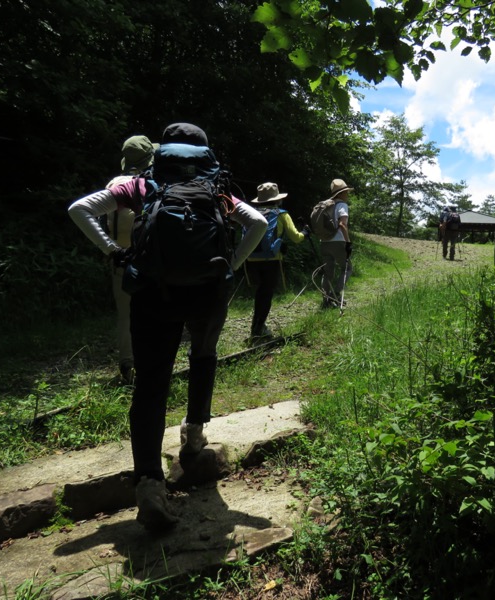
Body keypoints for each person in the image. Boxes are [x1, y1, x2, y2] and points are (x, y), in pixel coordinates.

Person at [68, 123, 267, 530]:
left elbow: (80, 209)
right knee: (203, 356)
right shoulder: (217, 190)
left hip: (152, 293)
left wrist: (113, 250)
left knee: (151, 384)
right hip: (207, 294)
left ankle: (149, 485)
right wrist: (230, 265)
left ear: (165, 151)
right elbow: (258, 224)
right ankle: (193, 436)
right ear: (204, 154)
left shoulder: (140, 186)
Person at [104, 135, 157, 384]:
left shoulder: (113, 183)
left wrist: (109, 248)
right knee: (151, 313)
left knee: (125, 315)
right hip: (143, 258)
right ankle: (148, 365)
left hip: (117, 257)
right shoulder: (144, 185)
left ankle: (127, 364)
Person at [244, 182, 308, 343]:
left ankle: (257, 326)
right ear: (277, 199)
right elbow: (296, 237)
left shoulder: (249, 213)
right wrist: (305, 233)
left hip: (250, 258)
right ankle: (258, 329)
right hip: (271, 259)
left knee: (260, 293)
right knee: (266, 294)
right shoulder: (281, 214)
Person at [320, 178, 353, 308]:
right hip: (338, 241)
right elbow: (342, 224)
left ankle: (326, 299)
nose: (347, 194)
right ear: (341, 193)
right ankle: (336, 295)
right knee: (347, 268)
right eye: (346, 192)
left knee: (327, 272)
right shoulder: (342, 205)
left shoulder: (325, 205)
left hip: (324, 242)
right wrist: (348, 242)